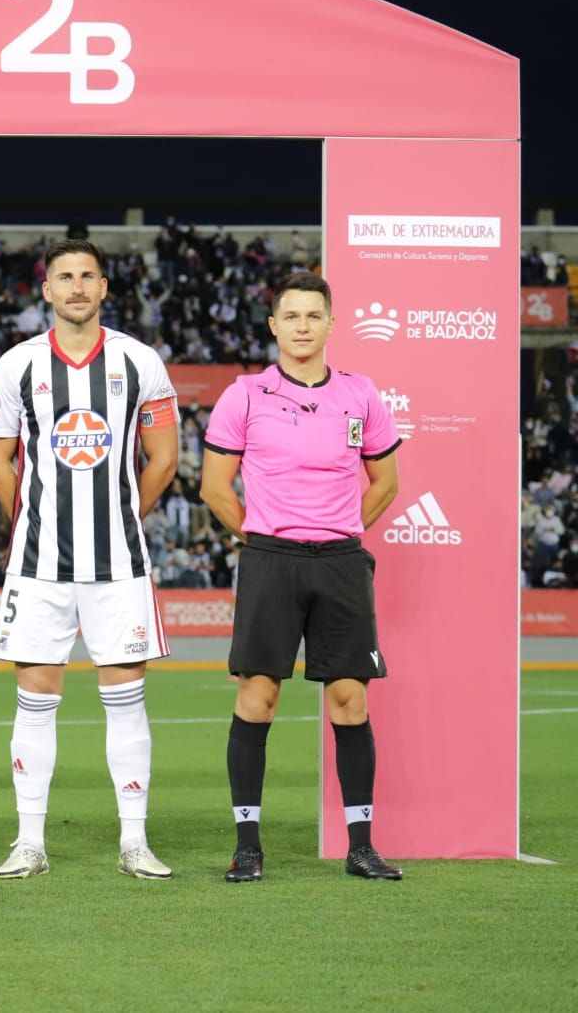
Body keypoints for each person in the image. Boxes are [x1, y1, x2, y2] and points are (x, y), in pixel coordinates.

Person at [0, 239, 180, 882]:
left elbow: (165, 458)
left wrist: (122, 515)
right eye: (63, 277)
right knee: (34, 698)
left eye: (87, 276)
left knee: (127, 699)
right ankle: (30, 843)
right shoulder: (17, 365)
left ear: (103, 287)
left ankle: (135, 842)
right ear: (46, 289)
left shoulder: (138, 360)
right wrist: (34, 518)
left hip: (118, 562)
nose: (75, 287)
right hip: (38, 564)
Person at [199, 271, 403, 882]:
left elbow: (387, 483)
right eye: (292, 316)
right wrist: (266, 534)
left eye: (314, 316)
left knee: (349, 698)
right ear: (274, 326)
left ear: (331, 324)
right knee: (258, 697)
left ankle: (361, 846)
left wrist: (339, 527)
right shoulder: (245, 395)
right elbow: (214, 487)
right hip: (271, 561)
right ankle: (248, 846)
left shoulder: (361, 394)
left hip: (340, 563)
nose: (303, 326)